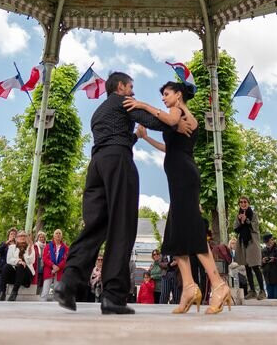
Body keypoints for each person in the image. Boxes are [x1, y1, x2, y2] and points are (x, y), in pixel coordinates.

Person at [55, 71, 191, 315]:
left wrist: (137, 137)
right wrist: (175, 123)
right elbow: (153, 121)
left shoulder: (99, 112)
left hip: (97, 164)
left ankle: (68, 281)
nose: (133, 92)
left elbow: (118, 137)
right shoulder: (123, 102)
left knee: (95, 225)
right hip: (119, 163)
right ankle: (113, 297)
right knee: (122, 225)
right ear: (120, 87)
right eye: (131, 87)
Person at [129, 80, 232, 315]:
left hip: (184, 178)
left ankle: (219, 285)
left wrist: (142, 105)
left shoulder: (178, 112)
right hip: (179, 177)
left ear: (178, 94)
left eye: (166, 94)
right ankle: (188, 287)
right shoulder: (179, 117)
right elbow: (170, 148)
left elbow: (171, 119)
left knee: (193, 231)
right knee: (175, 235)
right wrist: (145, 138)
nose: (164, 99)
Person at [233, 196, 266, 300]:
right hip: (243, 243)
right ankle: (252, 290)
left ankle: (262, 291)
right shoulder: (237, 215)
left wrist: (246, 220)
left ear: (248, 203)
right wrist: (241, 222)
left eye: (245, 202)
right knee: (247, 267)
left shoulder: (253, 214)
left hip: (252, 242)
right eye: (241, 202)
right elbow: (236, 229)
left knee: (255, 266)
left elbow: (255, 227)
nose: (243, 204)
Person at [0, 230, 36, 301]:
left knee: (21, 266)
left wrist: (30, 249)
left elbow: (31, 261)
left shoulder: (30, 247)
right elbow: (9, 260)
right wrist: (19, 261)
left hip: (26, 276)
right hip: (16, 275)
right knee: (6, 266)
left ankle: (14, 292)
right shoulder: (12, 247)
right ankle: (2, 292)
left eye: (24, 236)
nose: (22, 237)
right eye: (20, 236)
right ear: (16, 238)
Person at [41, 229, 68, 301]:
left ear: (61, 236)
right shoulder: (48, 246)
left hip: (60, 270)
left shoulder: (65, 248)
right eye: (56, 233)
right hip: (49, 269)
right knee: (45, 291)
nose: (58, 235)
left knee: (57, 292)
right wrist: (52, 265)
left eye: (59, 233)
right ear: (54, 235)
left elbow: (66, 259)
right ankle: (41, 307)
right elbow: (45, 258)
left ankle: (55, 309)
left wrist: (59, 267)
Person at [261, 233, 277, 299]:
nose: (268, 243)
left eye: (269, 241)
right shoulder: (263, 251)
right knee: (270, 298)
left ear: (272, 240)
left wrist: (275, 259)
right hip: (268, 278)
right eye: (266, 242)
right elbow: (260, 265)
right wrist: (263, 261)